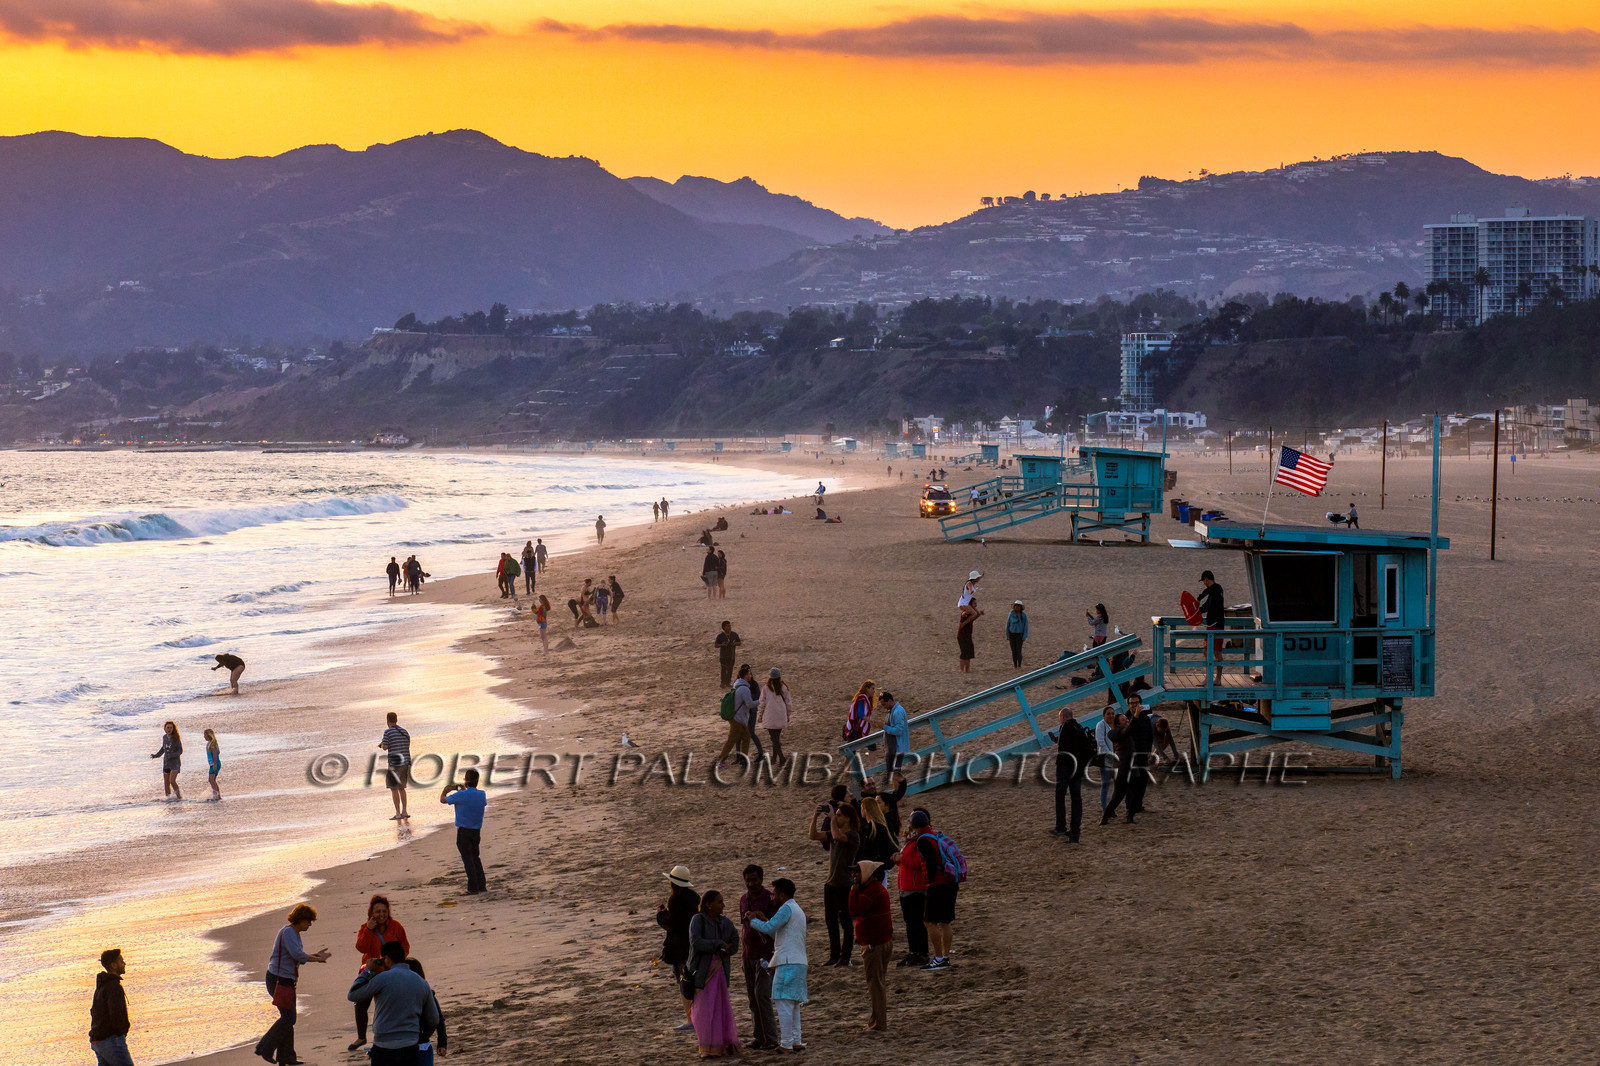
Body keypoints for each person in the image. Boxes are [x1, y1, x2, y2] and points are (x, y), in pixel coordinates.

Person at [256, 904, 330, 1065]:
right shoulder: (289, 932)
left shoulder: (293, 933)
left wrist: (315, 955)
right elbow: (297, 954)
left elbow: (296, 957)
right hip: (278, 980)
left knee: (288, 1018)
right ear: (300, 919)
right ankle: (265, 1047)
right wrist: (316, 959)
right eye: (308, 921)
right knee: (289, 1018)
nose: (310, 925)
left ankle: (286, 1057)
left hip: (285, 980)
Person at [346, 940, 440, 1066]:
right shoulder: (421, 982)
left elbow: (353, 995)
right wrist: (419, 1035)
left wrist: (367, 971)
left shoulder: (382, 978)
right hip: (410, 1044)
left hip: (383, 1045)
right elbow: (433, 1018)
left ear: (387, 959)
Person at [749, 878, 807, 1053]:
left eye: (774, 893)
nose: (772, 896)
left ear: (782, 894)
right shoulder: (797, 910)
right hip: (799, 961)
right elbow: (777, 933)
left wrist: (752, 920)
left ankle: (786, 1044)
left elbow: (768, 928)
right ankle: (795, 1041)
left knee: (783, 1002)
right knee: (794, 1003)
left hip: (787, 961)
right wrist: (763, 919)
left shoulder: (786, 908)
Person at [349, 895, 411, 1051]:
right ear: (371, 912)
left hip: (392, 970)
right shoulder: (365, 928)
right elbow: (361, 948)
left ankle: (394, 1032)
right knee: (361, 1003)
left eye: (384, 911)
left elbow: (405, 947)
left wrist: (394, 961)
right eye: (377, 911)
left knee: (390, 1004)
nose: (381, 914)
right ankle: (361, 1037)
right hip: (372, 971)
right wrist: (369, 930)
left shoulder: (396, 926)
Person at [686, 890, 741, 1058]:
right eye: (719, 902)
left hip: (720, 972)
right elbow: (696, 942)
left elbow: (735, 941)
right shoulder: (698, 920)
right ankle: (707, 1047)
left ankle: (722, 1045)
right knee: (704, 1010)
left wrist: (726, 948)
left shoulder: (726, 922)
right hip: (702, 974)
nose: (723, 905)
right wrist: (718, 944)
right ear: (708, 904)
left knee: (721, 1008)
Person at [809, 800, 859, 967]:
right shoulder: (834, 832)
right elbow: (814, 835)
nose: (836, 817)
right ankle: (834, 955)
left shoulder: (853, 835)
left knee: (845, 922)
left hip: (844, 884)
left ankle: (845, 957)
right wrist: (815, 816)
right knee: (831, 921)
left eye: (839, 815)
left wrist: (831, 819)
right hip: (830, 883)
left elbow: (838, 836)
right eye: (836, 815)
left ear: (847, 818)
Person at [737, 865, 779, 1051]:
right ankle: (759, 1038)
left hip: (765, 954)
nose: (751, 883)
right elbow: (744, 927)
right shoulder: (743, 899)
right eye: (748, 880)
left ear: (761, 879)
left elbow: (776, 929)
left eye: (754, 880)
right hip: (748, 953)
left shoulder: (770, 899)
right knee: (752, 998)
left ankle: (771, 1038)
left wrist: (762, 918)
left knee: (762, 995)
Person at [849, 861, 894, 1032]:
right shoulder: (876, 888)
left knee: (875, 985)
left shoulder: (870, 891)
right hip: (882, 942)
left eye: (857, 873)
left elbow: (854, 910)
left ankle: (879, 1024)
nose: (855, 876)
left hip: (873, 945)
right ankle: (876, 1020)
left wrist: (853, 892)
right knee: (878, 983)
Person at [915, 810, 961, 969]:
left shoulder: (923, 839)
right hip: (951, 881)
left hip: (938, 884)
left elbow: (930, 863)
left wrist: (929, 881)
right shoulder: (937, 834)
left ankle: (938, 958)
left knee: (929, 921)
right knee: (946, 921)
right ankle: (945, 957)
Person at [441, 768, 488, 894]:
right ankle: (481, 885)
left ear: (466, 782)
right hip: (476, 830)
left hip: (464, 831)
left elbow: (443, 800)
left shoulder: (461, 795)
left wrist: (446, 791)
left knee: (468, 860)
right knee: (475, 858)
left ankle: (473, 887)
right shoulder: (481, 794)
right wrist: (464, 791)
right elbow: (479, 802)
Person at [1052, 706, 1094, 842]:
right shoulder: (1079, 727)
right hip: (1078, 768)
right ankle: (1075, 832)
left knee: (1060, 796)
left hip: (1065, 768)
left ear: (1063, 717)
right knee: (1076, 799)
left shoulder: (1064, 727)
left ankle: (1061, 827)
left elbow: (1063, 749)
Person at [896, 813, 931, 969]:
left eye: (910, 822)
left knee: (915, 923)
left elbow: (919, 862)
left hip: (915, 889)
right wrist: (899, 860)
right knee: (911, 923)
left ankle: (920, 954)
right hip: (907, 886)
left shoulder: (921, 840)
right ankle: (914, 953)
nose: (908, 825)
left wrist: (901, 858)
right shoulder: (913, 840)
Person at [89, 948, 133, 1066]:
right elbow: (116, 1014)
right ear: (113, 965)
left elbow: (94, 1011)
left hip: (98, 1041)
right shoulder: (113, 987)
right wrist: (121, 1031)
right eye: (121, 961)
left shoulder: (102, 986)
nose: (124, 964)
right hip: (110, 1041)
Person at [715, 665, 764, 768]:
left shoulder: (736, 685)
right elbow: (749, 704)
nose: (751, 675)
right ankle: (721, 762)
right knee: (732, 740)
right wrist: (760, 701)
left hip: (737, 718)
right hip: (738, 719)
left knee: (746, 737)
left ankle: (743, 761)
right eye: (750, 674)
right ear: (746, 676)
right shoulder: (744, 689)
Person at [404, 957, 448, 1064]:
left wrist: (442, 1044)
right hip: (417, 1043)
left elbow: (438, 1020)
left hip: (417, 1043)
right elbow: (437, 1020)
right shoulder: (426, 992)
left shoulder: (427, 995)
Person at [378, 711, 412, 820]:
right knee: (402, 788)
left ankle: (397, 813)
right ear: (396, 720)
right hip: (405, 762)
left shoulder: (388, 732)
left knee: (394, 788)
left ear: (387, 721)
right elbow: (407, 745)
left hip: (394, 764)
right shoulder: (404, 732)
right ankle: (405, 811)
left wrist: (382, 744)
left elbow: (385, 747)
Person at [758, 667, 792, 766]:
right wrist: (788, 715)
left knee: (774, 739)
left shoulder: (766, 688)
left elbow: (762, 703)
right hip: (781, 716)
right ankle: (774, 758)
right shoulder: (784, 687)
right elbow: (788, 703)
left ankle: (782, 758)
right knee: (775, 738)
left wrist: (760, 715)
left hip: (770, 717)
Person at [1197, 570, 1226, 684]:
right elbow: (1205, 607)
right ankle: (1216, 679)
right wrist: (1196, 612)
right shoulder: (1213, 594)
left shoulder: (1216, 588)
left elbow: (1208, 590)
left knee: (1208, 651)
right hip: (1214, 625)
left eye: (1204, 581)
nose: (1204, 583)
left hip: (1215, 625)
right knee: (1215, 652)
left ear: (1206, 580)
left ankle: (1210, 678)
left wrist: (1198, 598)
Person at [878, 691, 910, 785]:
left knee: (894, 775)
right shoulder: (893, 711)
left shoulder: (898, 712)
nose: (884, 707)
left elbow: (899, 731)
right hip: (893, 748)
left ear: (890, 701)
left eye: (884, 704)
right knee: (892, 774)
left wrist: (884, 727)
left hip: (897, 748)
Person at [857, 796, 898, 866]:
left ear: (865, 809)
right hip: (878, 864)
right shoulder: (879, 826)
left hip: (875, 865)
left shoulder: (872, 828)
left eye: (861, 808)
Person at [150, 721, 182, 800]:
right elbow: (163, 748)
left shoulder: (176, 738)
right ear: (165, 728)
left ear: (173, 728)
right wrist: (156, 755)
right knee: (166, 782)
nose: (169, 729)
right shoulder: (164, 737)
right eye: (168, 727)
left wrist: (172, 755)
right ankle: (168, 798)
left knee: (172, 780)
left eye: (171, 727)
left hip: (175, 763)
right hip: (166, 763)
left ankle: (180, 797)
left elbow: (180, 750)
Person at [1095, 704, 1118, 811]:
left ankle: (1111, 807)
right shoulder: (1101, 725)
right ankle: (1105, 809)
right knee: (1105, 785)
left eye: (1112, 713)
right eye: (1108, 714)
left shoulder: (1116, 725)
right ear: (1104, 715)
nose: (1111, 716)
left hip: (1116, 759)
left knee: (1118, 786)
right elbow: (1100, 742)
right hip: (1105, 759)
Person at [843, 680, 875, 747]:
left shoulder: (865, 699)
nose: (874, 691)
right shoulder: (862, 698)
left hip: (858, 728)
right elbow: (860, 713)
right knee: (851, 749)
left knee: (872, 746)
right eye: (872, 688)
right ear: (867, 689)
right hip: (857, 728)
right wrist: (871, 721)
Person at [713, 621, 741, 688]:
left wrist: (735, 644)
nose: (729, 627)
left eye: (730, 626)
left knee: (730, 669)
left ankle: (728, 682)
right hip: (723, 656)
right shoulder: (720, 636)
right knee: (723, 669)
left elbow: (739, 642)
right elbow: (716, 645)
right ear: (724, 627)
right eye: (727, 626)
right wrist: (722, 645)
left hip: (731, 656)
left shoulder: (734, 635)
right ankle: (723, 683)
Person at [957, 598, 981, 673]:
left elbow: (977, 614)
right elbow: (962, 620)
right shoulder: (966, 613)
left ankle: (967, 669)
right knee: (964, 652)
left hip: (968, 635)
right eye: (974, 603)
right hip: (962, 635)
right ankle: (961, 670)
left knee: (969, 653)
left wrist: (974, 608)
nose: (975, 605)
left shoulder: (972, 614)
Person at [1006, 600, 1030, 669]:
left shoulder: (1024, 616)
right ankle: (1015, 665)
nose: (1016, 608)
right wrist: (1007, 635)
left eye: (1018, 606)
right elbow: (1008, 625)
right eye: (1015, 606)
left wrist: (1024, 636)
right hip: (1012, 634)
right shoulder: (1011, 614)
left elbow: (1026, 626)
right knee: (1013, 650)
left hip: (1020, 635)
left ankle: (1019, 664)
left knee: (1018, 650)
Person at [203, 728, 221, 801]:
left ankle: (216, 795)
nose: (204, 737)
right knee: (213, 780)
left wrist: (215, 764)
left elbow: (215, 754)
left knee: (211, 780)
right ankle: (217, 795)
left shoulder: (212, 744)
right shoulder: (210, 743)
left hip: (214, 764)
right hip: (213, 764)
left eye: (205, 735)